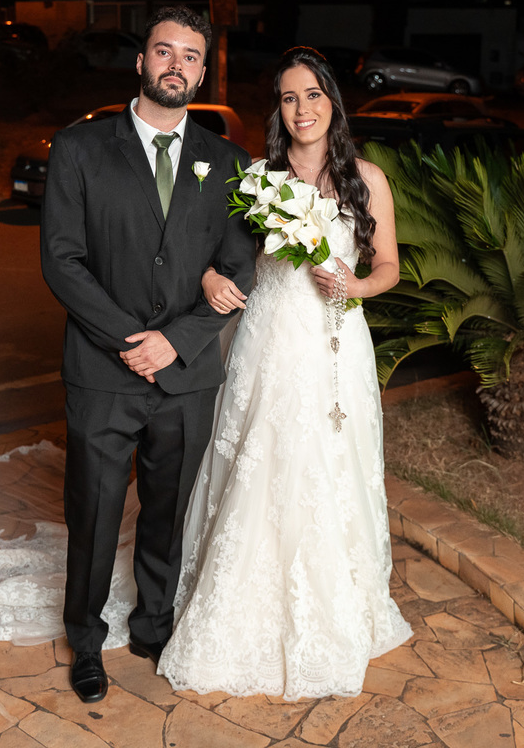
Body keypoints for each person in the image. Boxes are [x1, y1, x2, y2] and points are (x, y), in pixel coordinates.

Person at [156, 46, 413, 700]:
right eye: (290, 98)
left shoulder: (368, 178)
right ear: (278, 108)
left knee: (332, 466)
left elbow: (391, 266)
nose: (302, 109)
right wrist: (212, 276)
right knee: (262, 463)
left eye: (314, 96)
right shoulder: (253, 178)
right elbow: (208, 255)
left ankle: (340, 604)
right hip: (267, 340)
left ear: (333, 102)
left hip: (334, 343)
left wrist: (358, 284)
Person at [39, 6, 257, 703]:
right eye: (164, 52)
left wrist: (177, 340)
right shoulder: (80, 148)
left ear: (202, 69)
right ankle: (85, 640)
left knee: (168, 508)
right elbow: (63, 261)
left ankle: (153, 623)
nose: (176, 66)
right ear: (140, 62)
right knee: (95, 509)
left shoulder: (228, 163)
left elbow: (238, 268)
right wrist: (133, 342)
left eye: (190, 56)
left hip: (188, 372)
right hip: (104, 370)